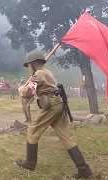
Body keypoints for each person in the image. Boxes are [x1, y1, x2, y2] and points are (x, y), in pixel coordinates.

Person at [16, 50, 93, 179]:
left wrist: (20, 91)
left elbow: (29, 92)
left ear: (34, 64)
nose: (28, 68)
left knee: (33, 130)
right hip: (58, 104)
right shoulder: (48, 73)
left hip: (50, 106)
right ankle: (83, 169)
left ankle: (30, 163)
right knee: (66, 137)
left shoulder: (38, 75)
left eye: (29, 65)